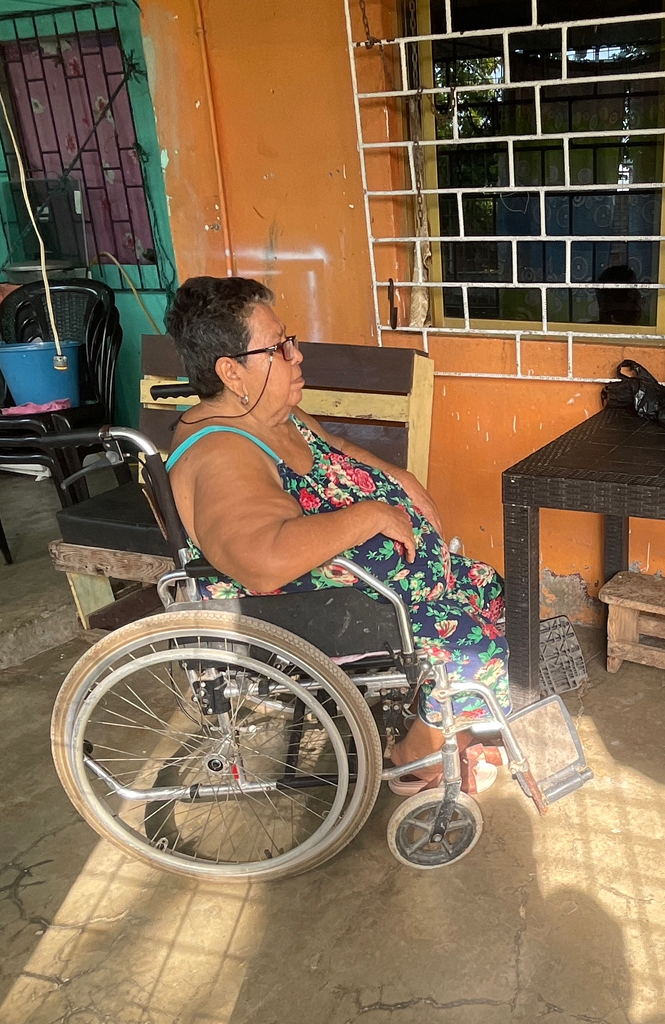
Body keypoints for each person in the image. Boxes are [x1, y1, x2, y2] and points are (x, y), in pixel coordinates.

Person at [163, 275, 509, 793]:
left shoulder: (272, 416)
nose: (297, 355)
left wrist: (401, 481)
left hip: (386, 592)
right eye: (279, 348)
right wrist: (371, 516)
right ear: (232, 372)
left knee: (490, 588)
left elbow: (338, 450)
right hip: (325, 612)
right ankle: (416, 757)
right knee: (477, 652)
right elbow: (263, 559)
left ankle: (443, 719)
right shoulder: (223, 454)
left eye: (290, 340)